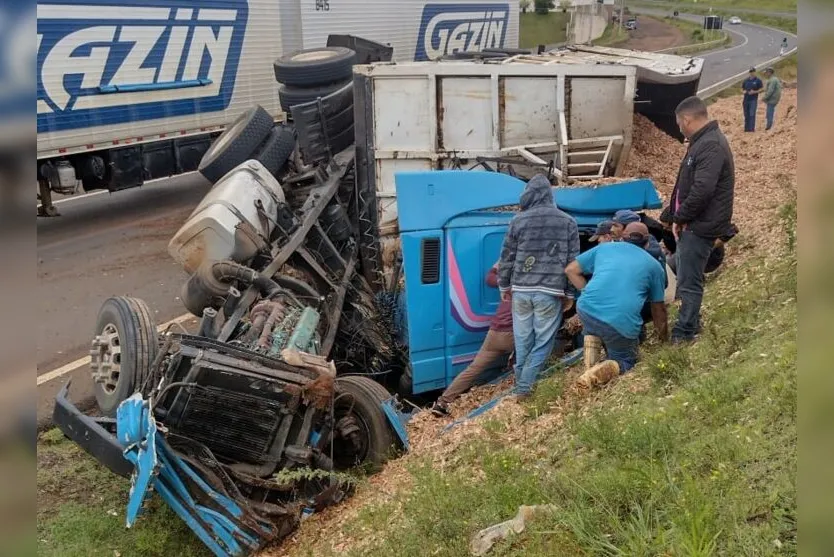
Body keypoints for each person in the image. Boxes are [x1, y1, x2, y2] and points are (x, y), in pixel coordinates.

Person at [498, 174, 580, 400]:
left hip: (521, 290)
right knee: (543, 341)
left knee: (523, 340)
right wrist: (570, 293)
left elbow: (507, 257)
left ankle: (522, 384)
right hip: (550, 290)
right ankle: (525, 388)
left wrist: (504, 285)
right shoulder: (568, 221)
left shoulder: (518, 221)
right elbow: (572, 260)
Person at [564, 222, 669, 387]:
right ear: (647, 242)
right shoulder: (654, 267)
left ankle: (589, 366)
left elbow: (571, 270)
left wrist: (587, 291)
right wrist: (663, 340)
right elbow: (658, 309)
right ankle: (592, 377)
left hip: (586, 308)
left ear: (623, 237)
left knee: (592, 327)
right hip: (619, 321)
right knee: (626, 359)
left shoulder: (605, 248)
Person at [669, 96, 735, 343]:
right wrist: (671, 214)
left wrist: (681, 216)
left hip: (700, 225)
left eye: (679, 123)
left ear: (687, 119)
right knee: (688, 278)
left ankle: (685, 332)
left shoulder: (710, 145)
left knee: (689, 282)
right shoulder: (701, 143)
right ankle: (690, 324)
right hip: (696, 222)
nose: (679, 128)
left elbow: (702, 190)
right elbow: (685, 185)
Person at [431, 263, 513, 416]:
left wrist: (495, 267)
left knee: (473, 368)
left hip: (494, 331)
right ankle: (518, 382)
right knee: (532, 350)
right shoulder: (528, 284)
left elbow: (489, 279)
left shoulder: (509, 280)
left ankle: (443, 401)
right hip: (514, 334)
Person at [741, 67, 764, 132]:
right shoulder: (746, 80)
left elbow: (762, 89)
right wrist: (743, 91)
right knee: (746, 114)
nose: (752, 73)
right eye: (751, 72)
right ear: (749, 73)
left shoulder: (758, 80)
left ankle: (751, 129)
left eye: (753, 72)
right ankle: (746, 129)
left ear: (755, 72)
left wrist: (754, 92)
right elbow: (742, 88)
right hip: (746, 99)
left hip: (753, 100)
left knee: (752, 114)